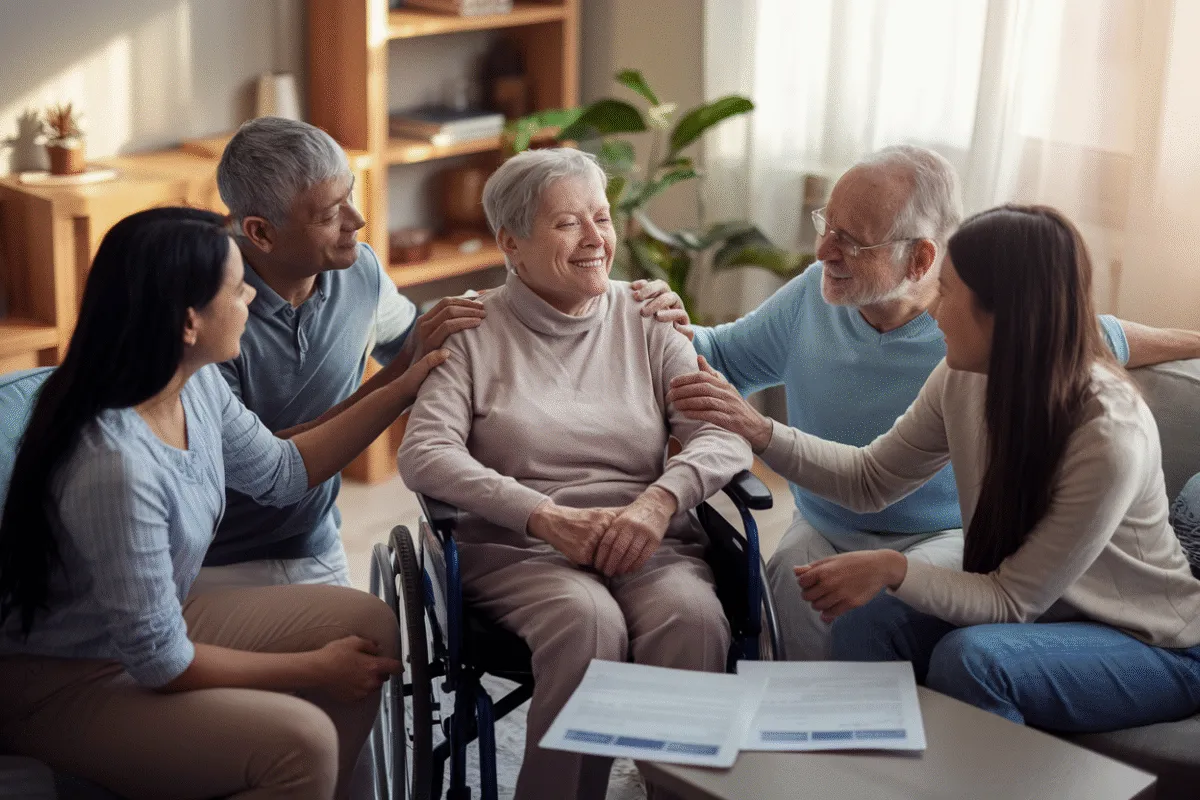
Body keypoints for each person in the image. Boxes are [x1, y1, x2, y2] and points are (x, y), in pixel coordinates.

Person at [637, 144, 1200, 660]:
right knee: (792, 580)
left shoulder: (987, 336)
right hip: (828, 515)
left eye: (852, 239)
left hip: (946, 534)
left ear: (920, 260)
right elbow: (721, 359)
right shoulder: (819, 299)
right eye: (826, 225)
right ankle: (803, 746)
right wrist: (669, 321)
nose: (824, 249)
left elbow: (1097, 335)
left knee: (882, 612)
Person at [0, 207, 447, 799]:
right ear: (189, 322)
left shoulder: (195, 383)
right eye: (238, 289)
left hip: (142, 631)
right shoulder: (115, 463)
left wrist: (406, 381)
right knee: (303, 738)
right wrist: (315, 669)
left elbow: (285, 472)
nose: (252, 300)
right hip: (65, 682)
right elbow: (162, 662)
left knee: (365, 621)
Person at [397, 148, 752, 800]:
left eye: (603, 217)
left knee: (692, 616)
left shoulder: (647, 315)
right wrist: (546, 516)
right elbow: (425, 453)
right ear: (512, 243)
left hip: (646, 537)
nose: (596, 240)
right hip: (520, 547)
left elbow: (724, 432)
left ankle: (679, 791)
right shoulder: (473, 328)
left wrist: (656, 504)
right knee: (588, 621)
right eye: (567, 224)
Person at [192, 116, 487, 593]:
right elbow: (269, 465)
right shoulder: (211, 315)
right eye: (330, 215)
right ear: (260, 233)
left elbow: (419, 345)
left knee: (370, 656)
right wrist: (398, 378)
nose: (358, 220)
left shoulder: (361, 273)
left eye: (350, 196)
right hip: (212, 561)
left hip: (314, 541)